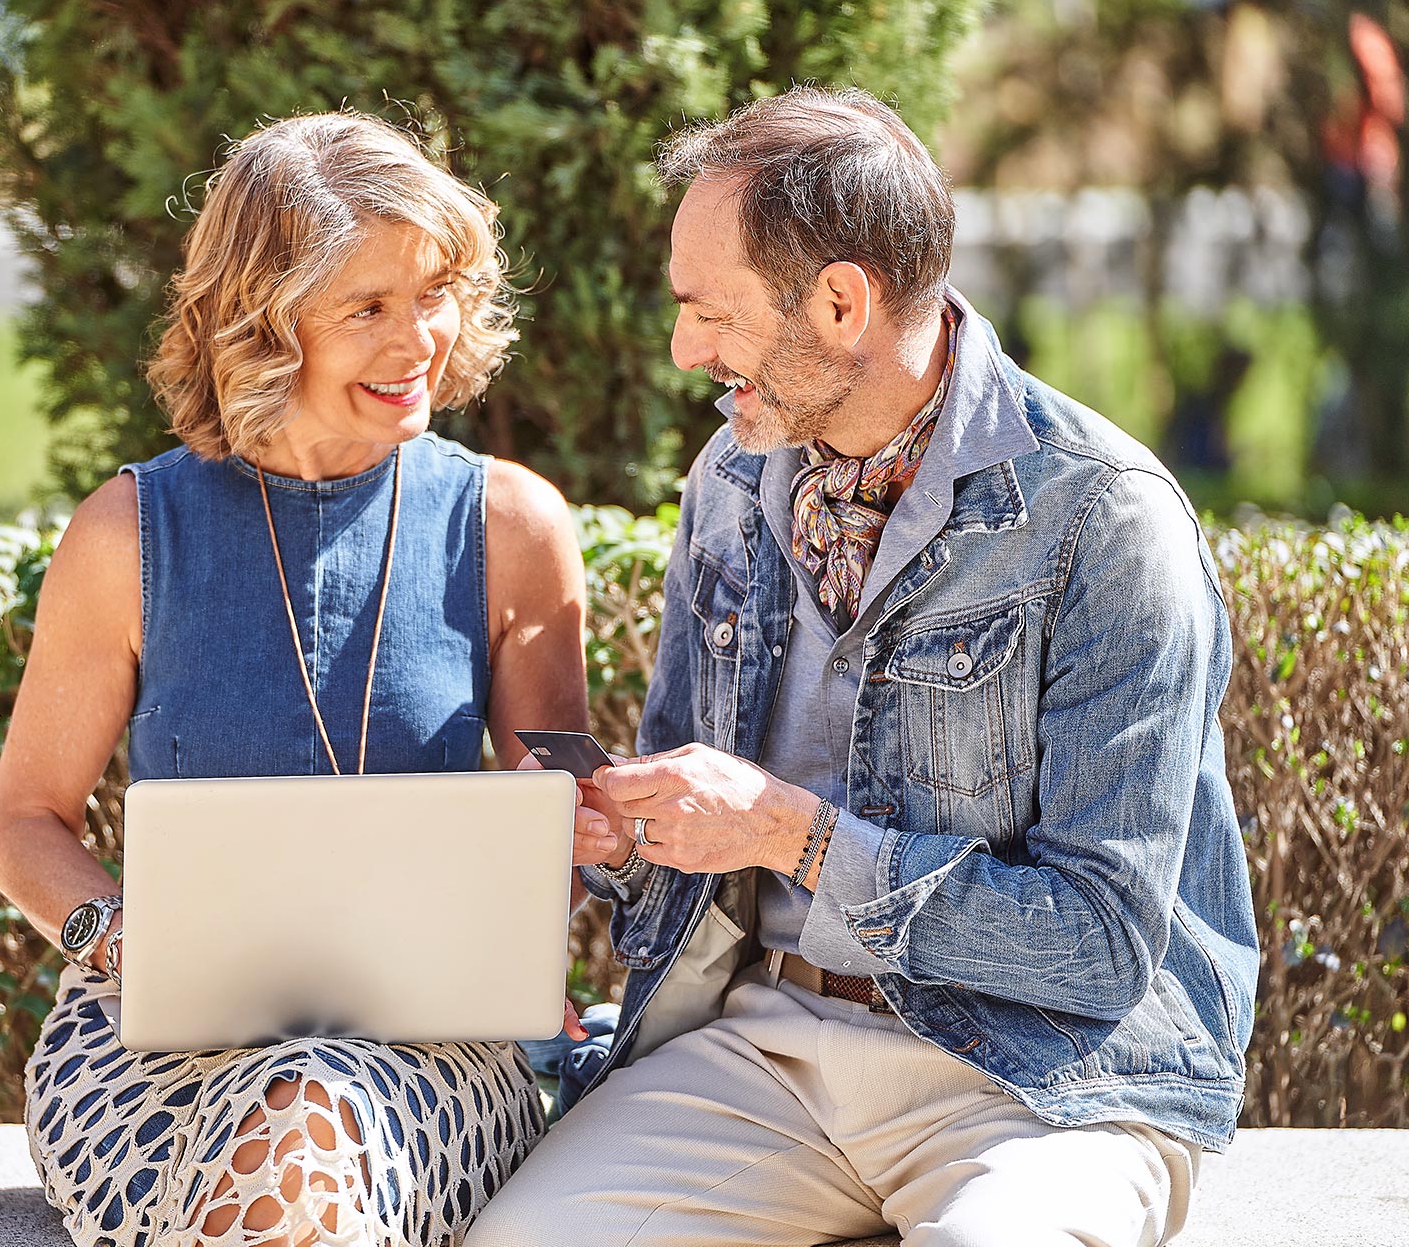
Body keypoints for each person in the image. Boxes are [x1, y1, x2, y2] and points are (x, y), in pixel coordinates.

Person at [466, 86, 1258, 1247]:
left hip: (1044, 1083)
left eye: (710, 313)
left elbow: (1097, 946)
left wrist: (793, 832)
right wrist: (634, 838)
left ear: (842, 301)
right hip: (768, 1045)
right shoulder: (730, 487)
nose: (686, 350)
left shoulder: (1104, 520)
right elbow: (702, 861)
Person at [0, 111, 605, 1247]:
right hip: (148, 1051)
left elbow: (554, 829)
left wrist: (525, 919)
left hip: (432, 1055)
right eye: (367, 307)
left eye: (434, 292)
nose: (419, 339)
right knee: (288, 1158)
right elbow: (21, 823)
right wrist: (126, 943)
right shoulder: (127, 533)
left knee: (305, 1132)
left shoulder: (512, 524)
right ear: (265, 325)